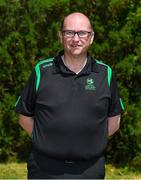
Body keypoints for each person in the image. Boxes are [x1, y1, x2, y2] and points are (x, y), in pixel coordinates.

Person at [15, 12, 124, 179]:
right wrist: (47, 141)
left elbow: (114, 122)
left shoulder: (105, 73)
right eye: (69, 32)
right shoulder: (41, 71)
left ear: (91, 37)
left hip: (90, 170)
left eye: (82, 33)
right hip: (44, 170)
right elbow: (24, 117)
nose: (75, 39)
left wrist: (89, 144)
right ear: (60, 36)